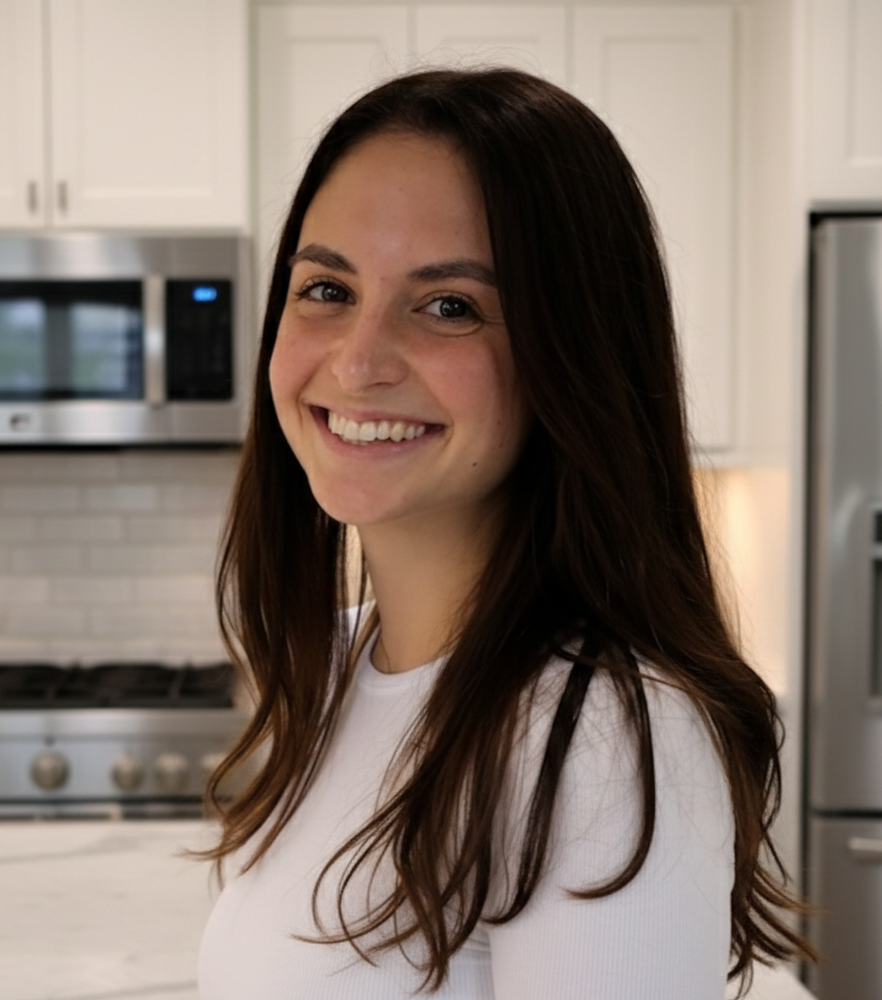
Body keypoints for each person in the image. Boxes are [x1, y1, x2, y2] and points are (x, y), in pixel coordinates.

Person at [197, 68, 811, 999]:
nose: (358, 361)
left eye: (450, 306)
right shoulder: (334, 665)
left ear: (574, 355)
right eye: (326, 287)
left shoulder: (602, 735)